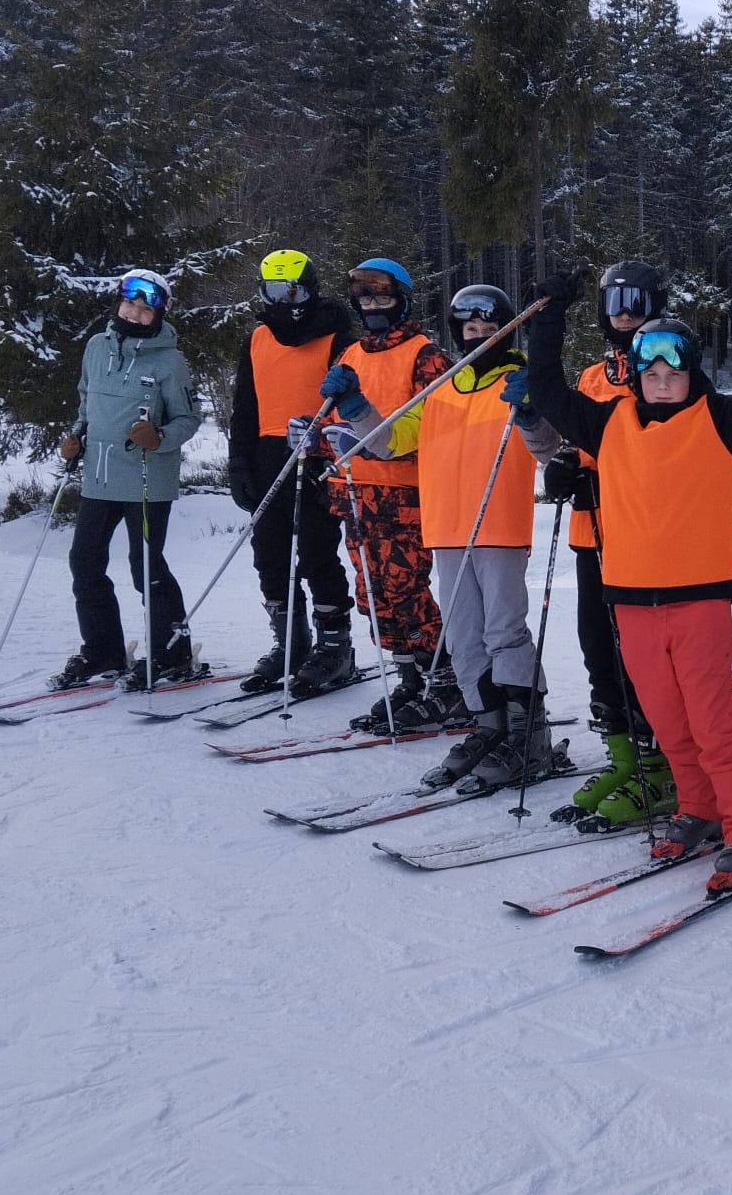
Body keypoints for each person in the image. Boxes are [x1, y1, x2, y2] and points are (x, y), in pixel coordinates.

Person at [524, 259, 732, 892]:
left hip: (698, 601)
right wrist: (551, 313)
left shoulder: (721, 422)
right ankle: (699, 807)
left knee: (714, 722)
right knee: (668, 721)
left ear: (692, 373)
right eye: (652, 374)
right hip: (630, 600)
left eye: (674, 374)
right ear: (638, 377)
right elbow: (547, 386)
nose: (663, 384)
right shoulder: (608, 422)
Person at [385, 284, 564, 791]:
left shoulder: (521, 378)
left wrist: (530, 411)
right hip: (447, 530)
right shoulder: (440, 386)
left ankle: (528, 736)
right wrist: (355, 411)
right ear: (457, 332)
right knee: (463, 638)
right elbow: (391, 440)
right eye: (471, 329)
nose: (481, 337)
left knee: (504, 633)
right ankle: (490, 727)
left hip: (499, 528)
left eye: (491, 329)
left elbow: (548, 448)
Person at [543, 259, 674, 826]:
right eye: (615, 301)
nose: (624, 313)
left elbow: (664, 451)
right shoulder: (595, 376)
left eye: (636, 301)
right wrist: (566, 465)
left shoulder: (666, 370)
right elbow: (580, 437)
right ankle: (626, 758)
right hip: (591, 532)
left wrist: (603, 476)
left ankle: (663, 765)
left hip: (642, 537)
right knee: (597, 647)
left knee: (641, 653)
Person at [313, 257, 451, 733]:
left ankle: (443, 681)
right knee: (373, 594)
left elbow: (434, 423)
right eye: (365, 298)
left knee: (406, 589)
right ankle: (409, 678)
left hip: (402, 494)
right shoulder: (350, 354)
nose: (374, 306)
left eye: (383, 297)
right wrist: (312, 436)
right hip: (354, 490)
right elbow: (332, 418)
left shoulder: (424, 354)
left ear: (403, 301)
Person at [54, 268, 203, 690]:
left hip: (146, 478)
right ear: (118, 303)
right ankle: (103, 650)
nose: (135, 313)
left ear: (158, 314)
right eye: (129, 304)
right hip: (99, 476)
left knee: (146, 567)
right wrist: (76, 437)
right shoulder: (96, 347)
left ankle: (171, 654)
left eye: (144, 309)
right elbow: (86, 400)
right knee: (84, 562)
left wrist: (160, 437)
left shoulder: (170, 361)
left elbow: (189, 418)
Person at [225, 249, 358, 696]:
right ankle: (290, 642)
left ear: (310, 289)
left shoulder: (337, 335)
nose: (284, 301)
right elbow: (244, 408)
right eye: (273, 291)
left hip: (315, 455)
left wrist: (331, 456)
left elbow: (350, 402)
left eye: (293, 291)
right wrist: (239, 464)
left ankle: (335, 646)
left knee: (317, 552)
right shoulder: (258, 339)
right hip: (266, 455)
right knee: (269, 553)